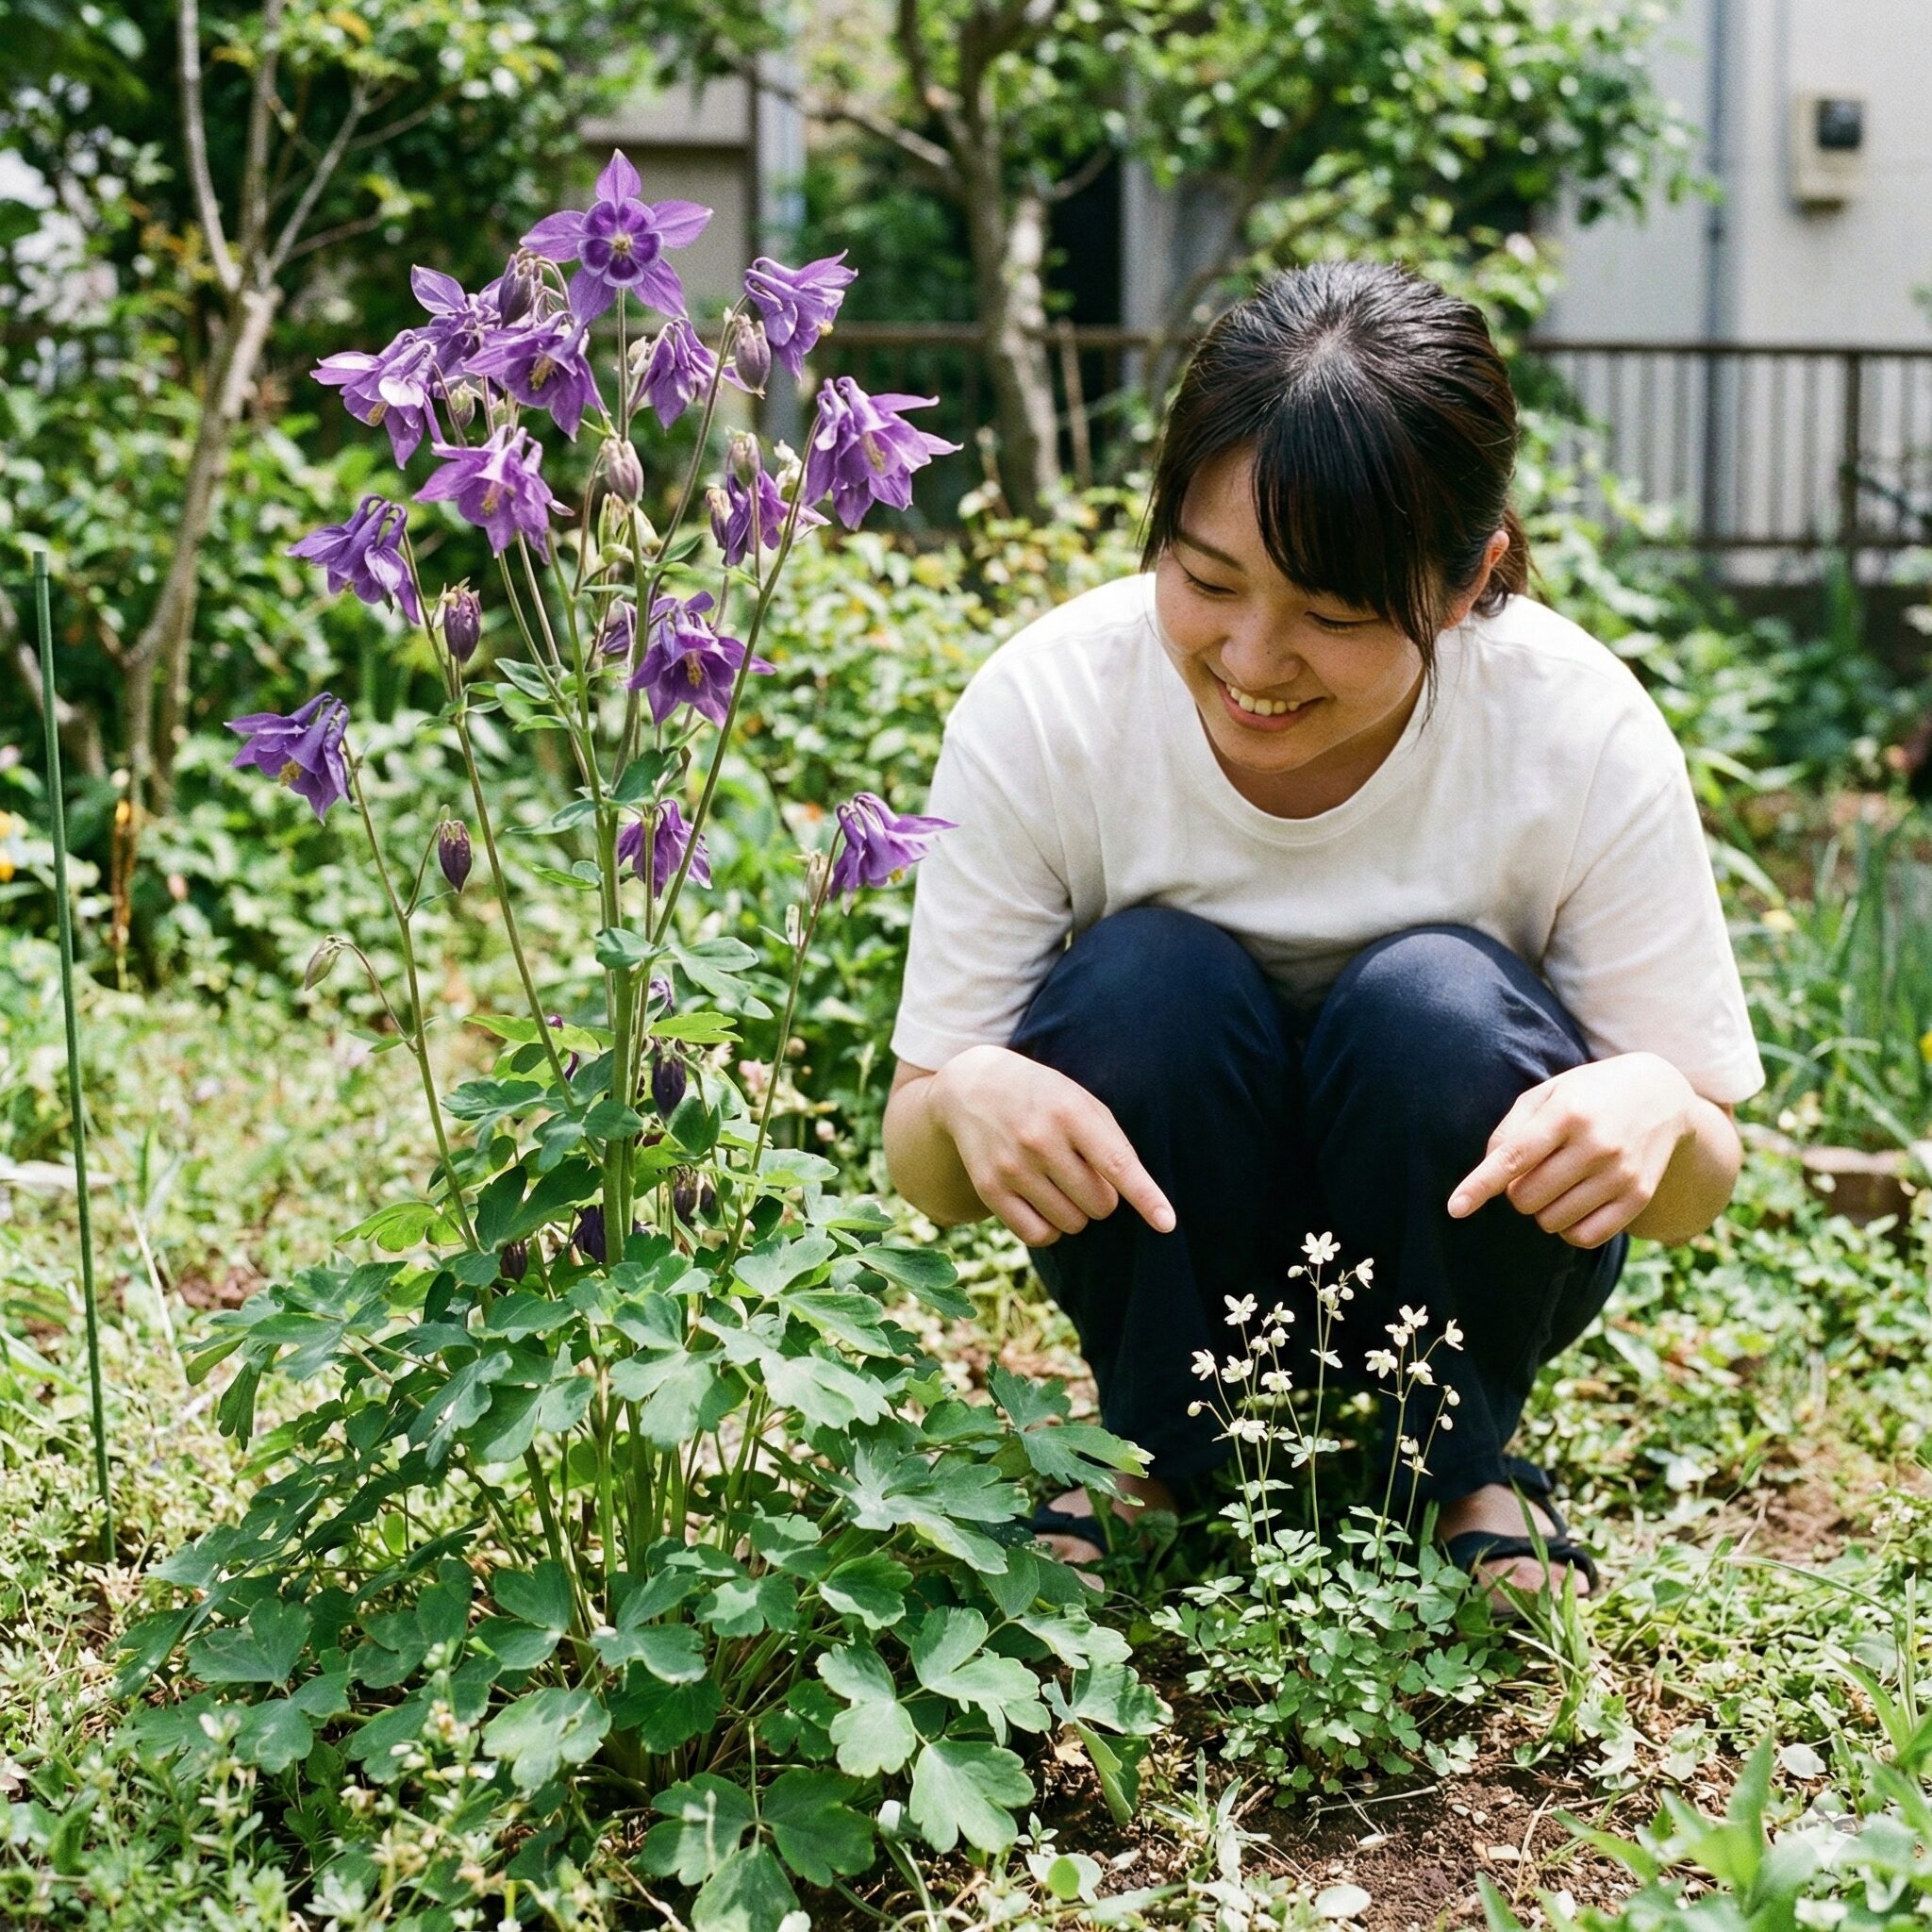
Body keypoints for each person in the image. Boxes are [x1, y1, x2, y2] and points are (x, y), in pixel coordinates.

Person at [881, 261, 1763, 1595]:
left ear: (1471, 580)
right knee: (1143, 985)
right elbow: (925, 1167)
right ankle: (1151, 1446)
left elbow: (1700, 1186)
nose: (1250, 659)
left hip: (1453, 1244)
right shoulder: (1050, 707)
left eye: (1333, 616)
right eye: (1208, 576)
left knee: (1434, 1007)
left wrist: (1652, 1102)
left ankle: (1464, 1464)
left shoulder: (1573, 727)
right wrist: (970, 1096)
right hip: (1167, 1235)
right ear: (1161, 524)